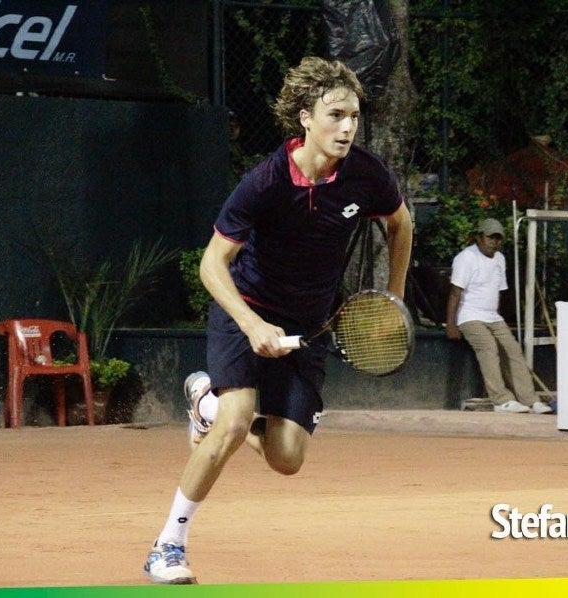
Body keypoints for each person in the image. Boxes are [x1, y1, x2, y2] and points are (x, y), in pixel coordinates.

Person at [143, 56, 413, 584]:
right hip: (246, 309)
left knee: (287, 458)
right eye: (335, 115)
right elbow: (210, 264)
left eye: (354, 116)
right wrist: (251, 325)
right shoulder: (264, 182)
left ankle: (205, 401)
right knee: (236, 421)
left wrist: (392, 301)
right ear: (305, 118)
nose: (348, 127)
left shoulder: (366, 174)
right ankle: (168, 545)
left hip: (309, 325)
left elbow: (401, 224)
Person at [445, 218, 551, 415]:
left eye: (498, 238)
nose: (494, 242)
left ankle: (530, 400)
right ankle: (501, 400)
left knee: (513, 351)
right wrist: (451, 324)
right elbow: (455, 292)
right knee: (488, 347)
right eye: (490, 237)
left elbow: (498, 292)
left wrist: (497, 318)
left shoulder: (500, 259)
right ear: (479, 237)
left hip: (493, 316)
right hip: (469, 316)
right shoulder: (465, 258)